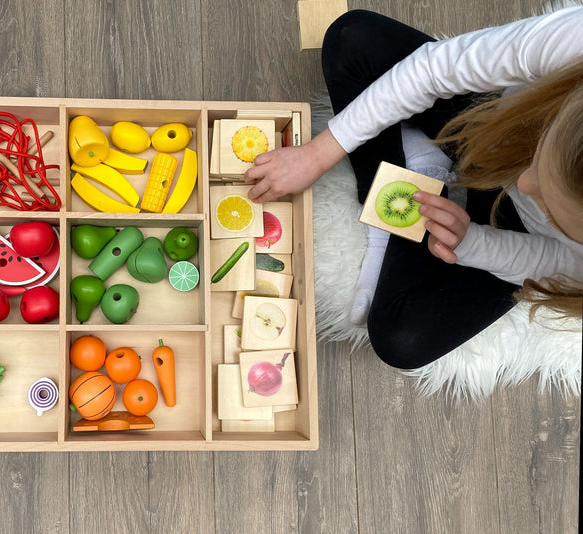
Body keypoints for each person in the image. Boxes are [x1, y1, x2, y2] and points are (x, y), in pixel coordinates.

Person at [244, 8, 583, 369]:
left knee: (403, 341)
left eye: (553, 208)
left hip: (515, 227)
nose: (526, 184)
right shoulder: (573, 41)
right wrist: (317, 155)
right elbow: (435, 68)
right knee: (353, 38)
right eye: (541, 163)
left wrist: (473, 244)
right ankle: (411, 174)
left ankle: (402, 187)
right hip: (489, 129)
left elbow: (555, 264)